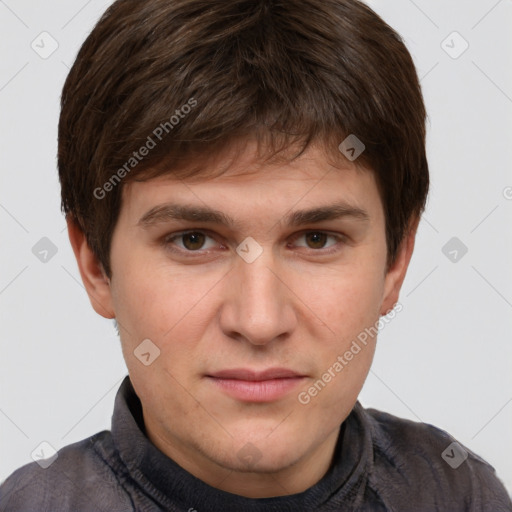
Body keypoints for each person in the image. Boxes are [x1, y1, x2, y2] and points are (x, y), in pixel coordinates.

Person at [1, 0, 510, 510]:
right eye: (193, 240)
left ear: (395, 262)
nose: (260, 321)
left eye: (316, 239)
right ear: (96, 266)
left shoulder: (460, 494)